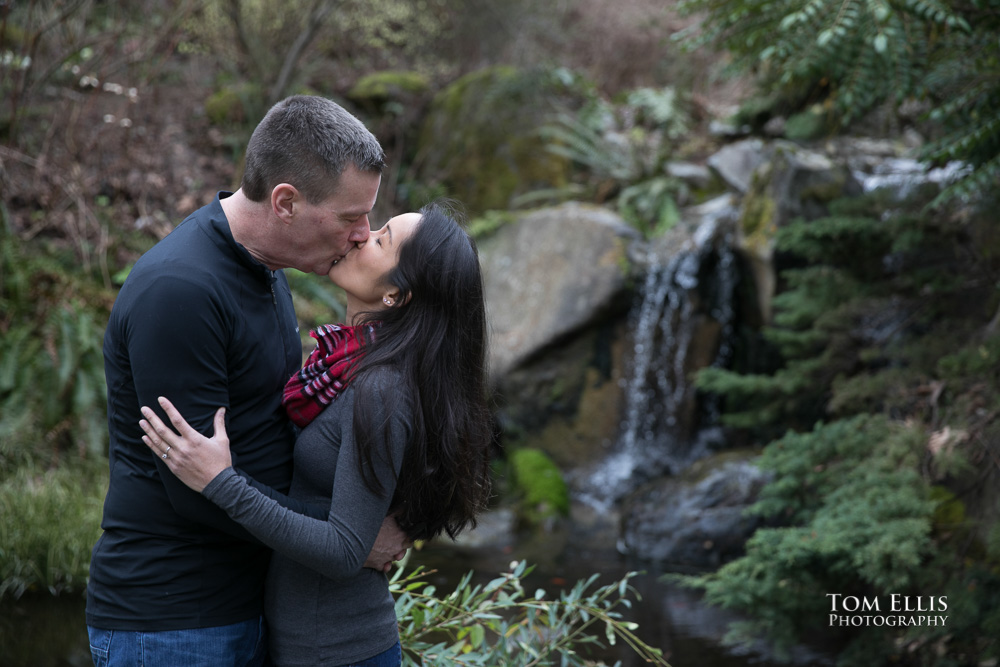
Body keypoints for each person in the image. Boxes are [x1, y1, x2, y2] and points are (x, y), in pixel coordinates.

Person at [87, 95, 410, 667]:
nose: (363, 235)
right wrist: (348, 543)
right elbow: (194, 486)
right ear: (285, 202)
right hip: (175, 623)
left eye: (370, 217)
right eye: (349, 217)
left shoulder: (265, 269)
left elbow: (265, 440)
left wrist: (360, 527)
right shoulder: (181, 291)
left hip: (251, 606)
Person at [137, 203, 494, 666]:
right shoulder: (344, 366)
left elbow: (345, 550)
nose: (364, 235)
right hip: (305, 641)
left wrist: (220, 482)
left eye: (382, 239)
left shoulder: (381, 388)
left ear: (396, 295)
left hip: (339, 650)